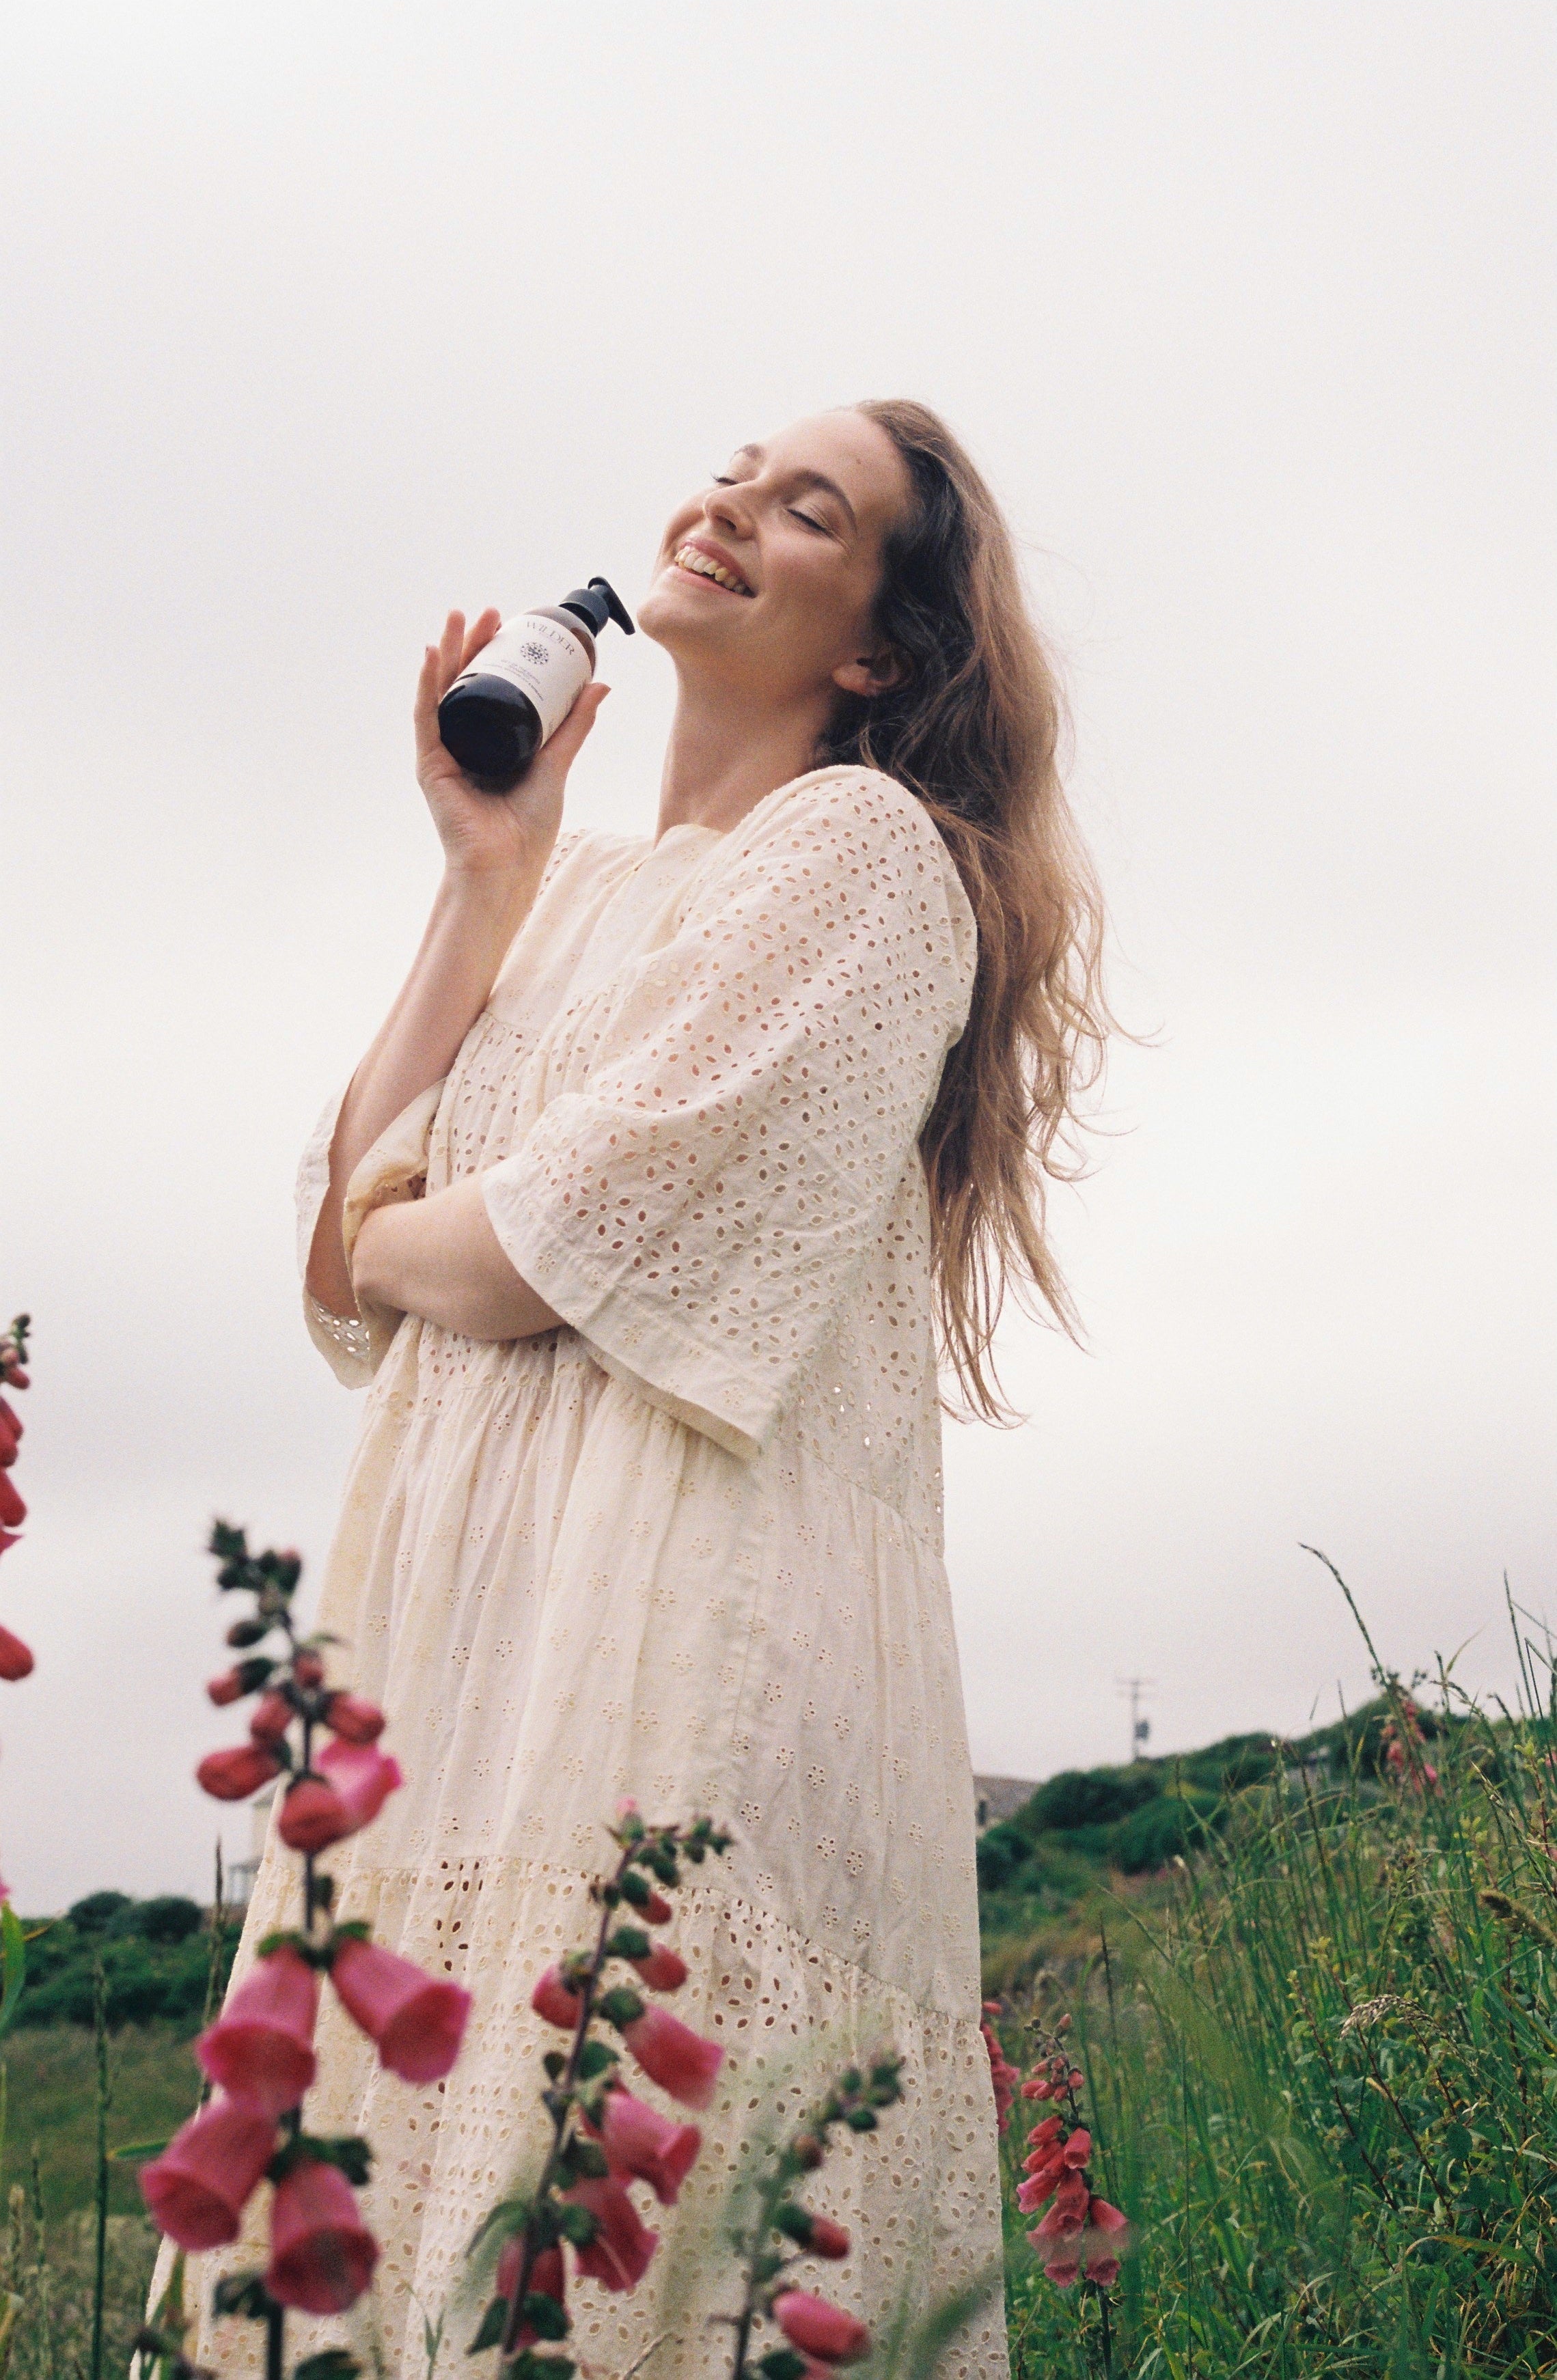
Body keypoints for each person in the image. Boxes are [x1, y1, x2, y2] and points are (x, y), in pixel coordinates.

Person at [175, 402, 1109, 2375]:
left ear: (879, 652)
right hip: (467, 1650)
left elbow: (542, 1243)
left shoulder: (864, 856)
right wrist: (484, 871)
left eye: (807, 510)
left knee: (632, 2250)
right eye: (736, 471)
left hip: (672, 1640)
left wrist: (412, 1231)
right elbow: (339, 1255)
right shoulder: (571, 892)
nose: (731, 507)